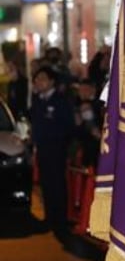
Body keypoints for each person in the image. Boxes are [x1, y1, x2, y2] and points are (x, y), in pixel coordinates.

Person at [28, 66, 75, 236]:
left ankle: (60, 221)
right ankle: (49, 219)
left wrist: (58, 140)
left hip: (56, 148)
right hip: (42, 149)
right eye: (36, 79)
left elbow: (68, 125)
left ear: (51, 81)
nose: (38, 82)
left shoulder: (60, 100)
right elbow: (35, 124)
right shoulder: (38, 100)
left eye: (42, 79)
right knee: (46, 184)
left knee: (57, 185)